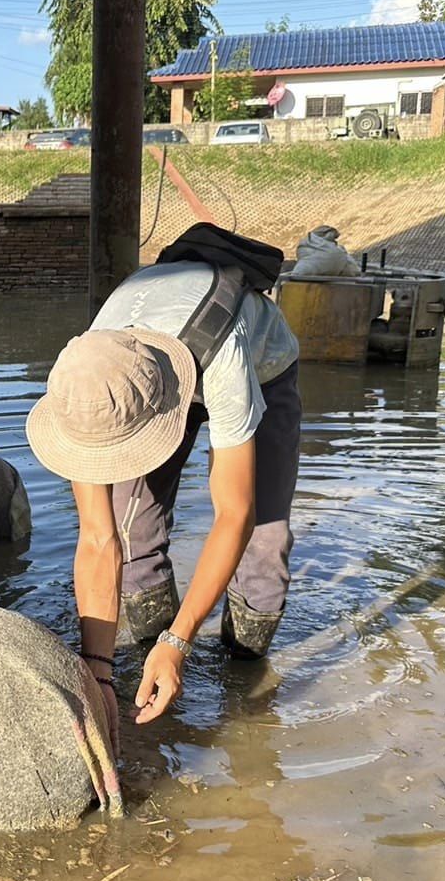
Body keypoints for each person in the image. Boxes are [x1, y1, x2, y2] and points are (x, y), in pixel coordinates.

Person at [25, 225, 301, 732]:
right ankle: (143, 667)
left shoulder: (225, 359)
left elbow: (233, 516)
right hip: (143, 370)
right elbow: (97, 537)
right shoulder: (89, 379)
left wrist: (179, 642)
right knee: (133, 532)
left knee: (263, 537)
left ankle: (244, 683)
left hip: (257, 366)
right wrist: (99, 673)